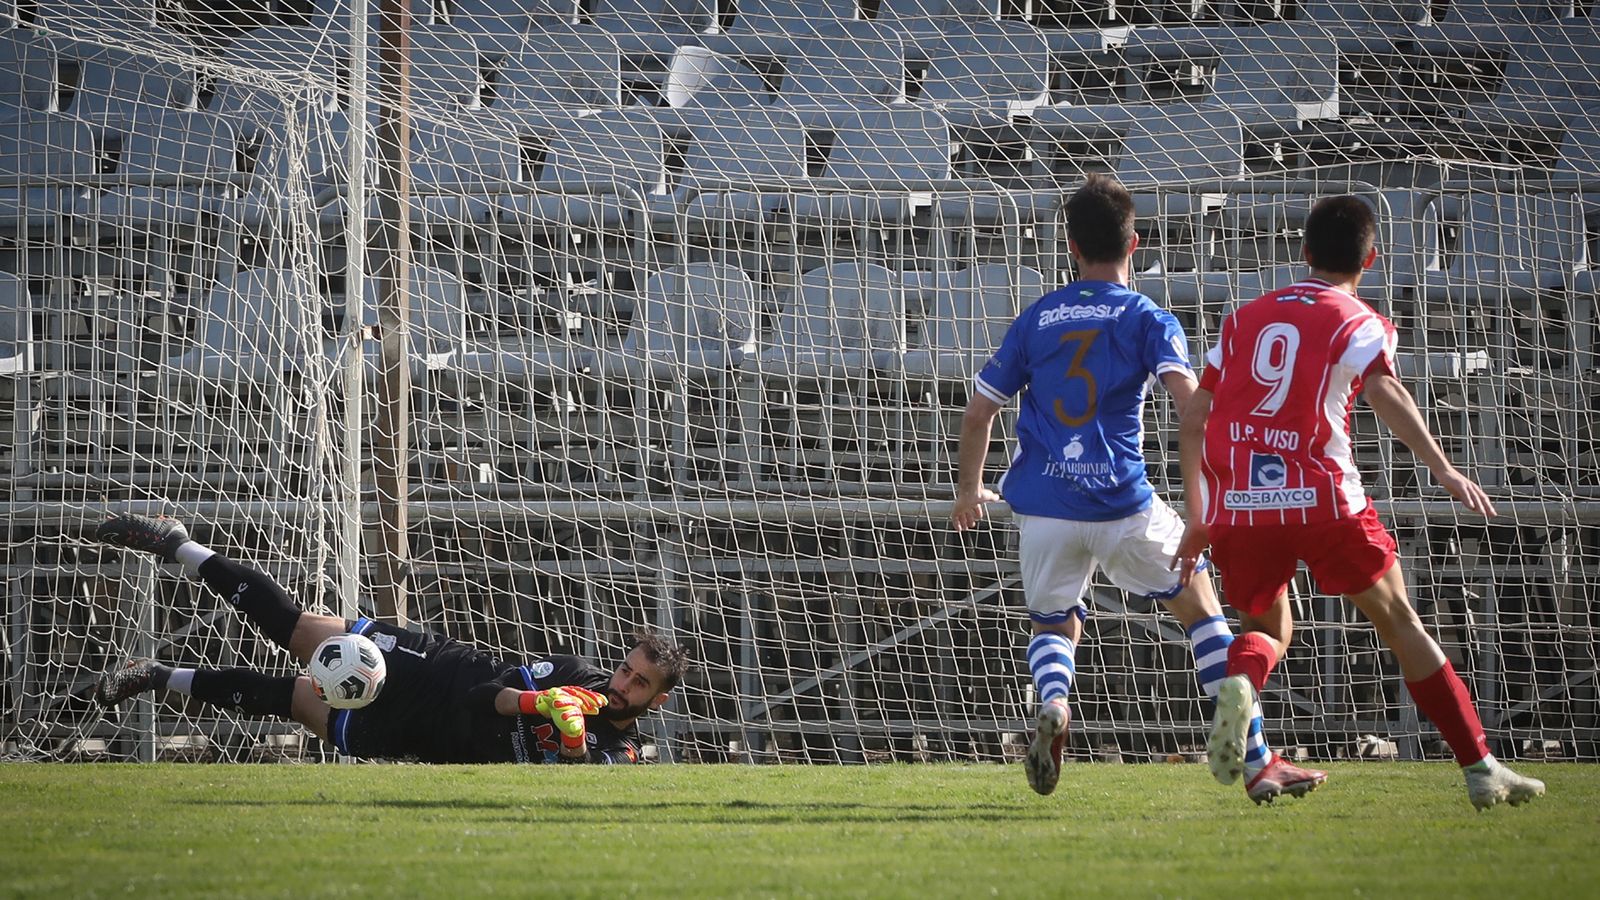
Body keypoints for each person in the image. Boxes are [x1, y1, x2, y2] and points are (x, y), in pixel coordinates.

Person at [952, 174, 1325, 804]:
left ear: (1070, 246)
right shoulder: (1149, 317)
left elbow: (977, 413)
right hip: (1123, 503)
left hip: (1041, 507)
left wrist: (969, 490)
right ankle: (1260, 762)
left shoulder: (1037, 317)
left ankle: (1054, 704)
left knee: (1054, 621)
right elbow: (1191, 409)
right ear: (1137, 242)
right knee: (1203, 611)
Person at [1171, 195, 1546, 811]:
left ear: (1304, 252)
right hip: (1323, 498)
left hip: (1240, 501)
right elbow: (1382, 389)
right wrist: (1446, 469)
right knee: (1399, 620)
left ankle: (1242, 681)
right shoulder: (1359, 319)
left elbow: (1194, 419)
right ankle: (1481, 767)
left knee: (1267, 628)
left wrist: (1202, 514)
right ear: (1369, 259)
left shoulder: (1244, 319)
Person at [91, 513, 689, 765]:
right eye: (626, 669)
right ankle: (177, 544)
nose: (623, 683)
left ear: (656, 702)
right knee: (301, 632)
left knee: (303, 702)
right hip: (439, 671)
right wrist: (544, 703)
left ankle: (155, 677)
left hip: (426, 738)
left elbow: (582, 789)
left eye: (639, 684)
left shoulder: (624, 755)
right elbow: (491, 695)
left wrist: (576, 742)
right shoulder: (578, 674)